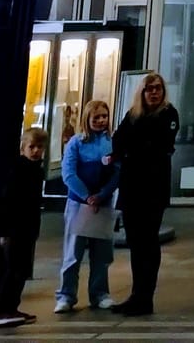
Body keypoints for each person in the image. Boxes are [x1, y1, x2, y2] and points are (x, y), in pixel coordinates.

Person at [113, 72, 181, 317]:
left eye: (158, 88)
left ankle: (145, 297)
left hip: (153, 189)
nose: (154, 92)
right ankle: (136, 294)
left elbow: (158, 145)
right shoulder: (132, 115)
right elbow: (118, 142)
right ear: (142, 92)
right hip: (132, 187)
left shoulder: (169, 114)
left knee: (148, 242)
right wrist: (133, 149)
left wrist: (134, 149)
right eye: (149, 88)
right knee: (135, 243)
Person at [56, 99, 118, 314]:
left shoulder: (112, 142)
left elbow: (118, 172)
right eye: (96, 117)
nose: (101, 121)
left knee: (101, 255)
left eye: (104, 116)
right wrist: (87, 196)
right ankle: (66, 295)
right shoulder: (75, 143)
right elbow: (68, 174)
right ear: (87, 119)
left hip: (103, 204)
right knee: (73, 254)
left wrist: (102, 195)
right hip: (77, 205)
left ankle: (100, 294)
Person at [0, 126, 47, 331]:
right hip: (15, 229)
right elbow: (7, 201)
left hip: (27, 228)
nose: (36, 151)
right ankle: (2, 308)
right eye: (32, 147)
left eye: (40, 147)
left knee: (20, 271)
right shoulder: (18, 170)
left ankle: (12, 307)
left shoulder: (35, 170)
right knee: (14, 270)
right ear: (23, 148)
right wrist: (4, 230)